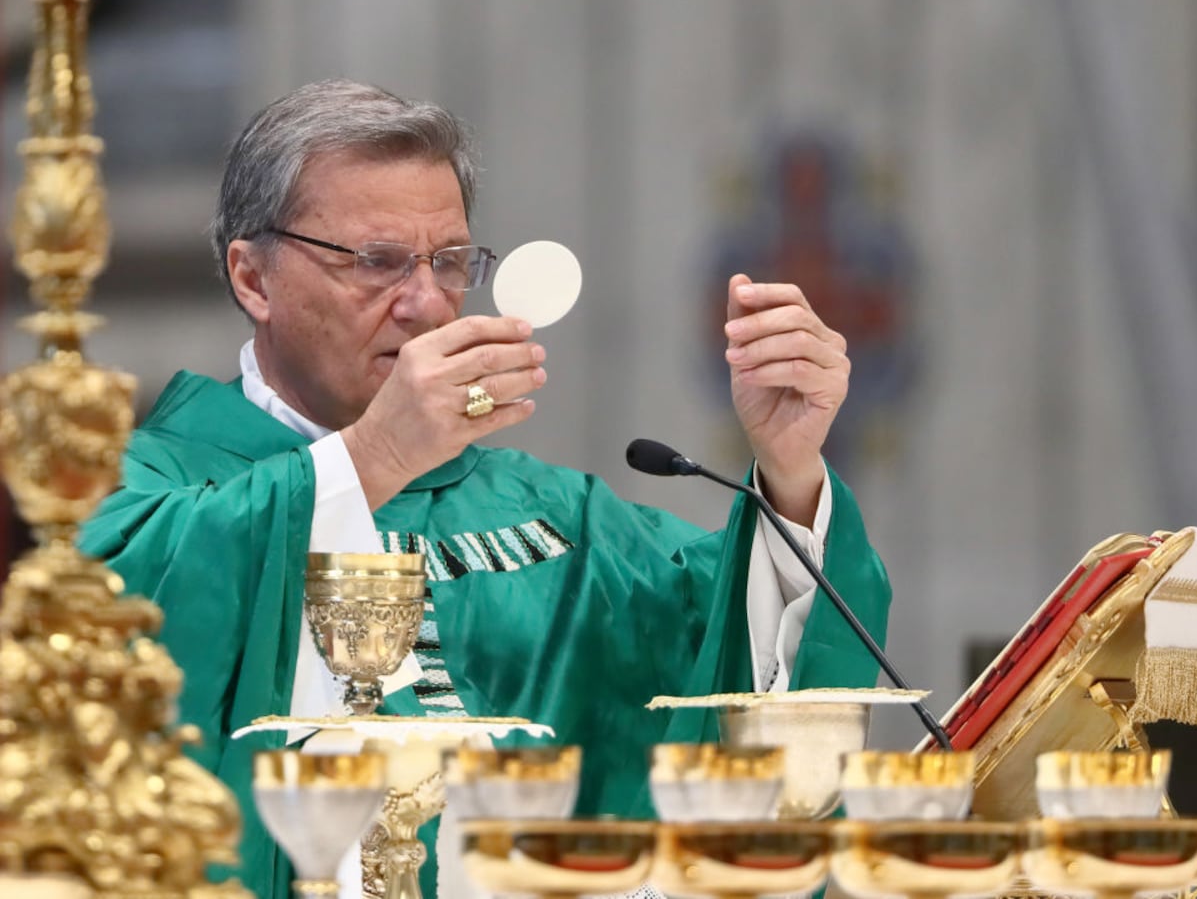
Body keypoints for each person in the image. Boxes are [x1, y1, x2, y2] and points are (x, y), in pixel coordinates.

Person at [81, 79, 892, 899]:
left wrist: (789, 474)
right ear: (254, 280)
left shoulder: (560, 522)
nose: (427, 303)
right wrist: (373, 458)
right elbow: (120, 622)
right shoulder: (144, 490)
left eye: (451, 262)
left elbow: (726, 657)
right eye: (376, 262)